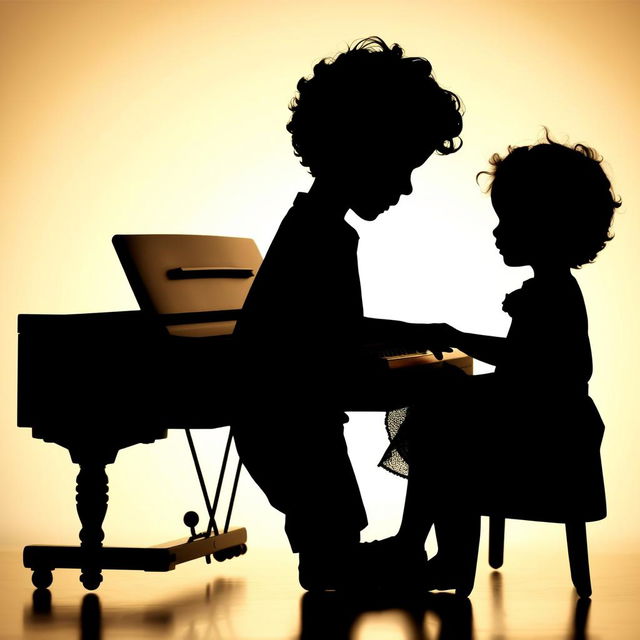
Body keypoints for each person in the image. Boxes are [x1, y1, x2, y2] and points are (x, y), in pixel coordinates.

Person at [231, 36, 464, 590]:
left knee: (333, 557)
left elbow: (335, 332)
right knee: (329, 563)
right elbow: (333, 342)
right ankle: (421, 550)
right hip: (288, 425)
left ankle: (412, 551)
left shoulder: (319, 225)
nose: (405, 188)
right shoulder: (317, 233)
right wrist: (419, 337)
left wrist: (417, 336)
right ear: (359, 147)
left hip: (295, 418)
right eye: (401, 166)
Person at [378, 132, 618, 593]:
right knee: (441, 404)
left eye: (508, 221)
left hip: (541, 421)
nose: (497, 232)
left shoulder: (551, 295)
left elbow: (527, 363)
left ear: (545, 225)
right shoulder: (552, 291)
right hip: (546, 412)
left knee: (437, 407)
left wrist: (455, 337)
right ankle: (426, 548)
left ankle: (422, 547)